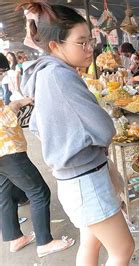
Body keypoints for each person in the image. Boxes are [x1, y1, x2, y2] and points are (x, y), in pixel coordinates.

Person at [19, 1, 135, 265]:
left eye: (90, 40)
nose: (89, 48)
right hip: (85, 180)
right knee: (123, 249)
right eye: (81, 42)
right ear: (55, 46)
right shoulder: (59, 76)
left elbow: (38, 125)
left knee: (90, 243)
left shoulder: (45, 74)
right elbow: (104, 128)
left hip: (75, 178)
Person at [1, 52, 75, 257]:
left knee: (4, 194)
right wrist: (18, 103)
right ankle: (44, 242)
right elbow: (4, 119)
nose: (1, 76)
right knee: (39, 192)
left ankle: (15, 238)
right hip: (7, 151)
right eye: (0, 72)